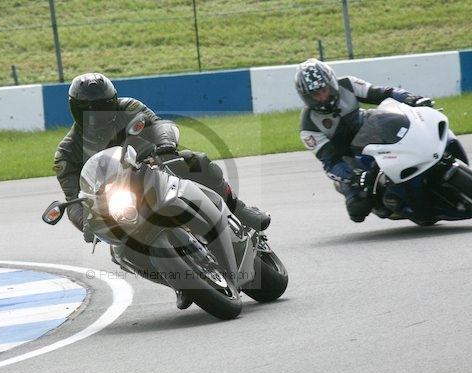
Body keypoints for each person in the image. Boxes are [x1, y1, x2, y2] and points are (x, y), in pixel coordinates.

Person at [53, 72, 270, 308]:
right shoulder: (67, 151)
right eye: (87, 109)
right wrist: (86, 222)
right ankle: (178, 281)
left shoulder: (129, 107)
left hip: (152, 170)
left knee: (196, 161)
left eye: (102, 107)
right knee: (120, 253)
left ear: (113, 101)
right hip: (117, 203)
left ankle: (239, 210)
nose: (95, 114)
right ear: (74, 110)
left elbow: (157, 124)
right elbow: (73, 198)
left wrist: (166, 144)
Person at [294, 58, 446, 222]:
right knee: (357, 210)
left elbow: (384, 93)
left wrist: (412, 99)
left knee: (413, 125)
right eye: (316, 95)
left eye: (324, 90)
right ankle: (392, 204)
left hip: (372, 130)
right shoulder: (308, 127)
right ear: (306, 97)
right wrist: (354, 176)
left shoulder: (347, 84)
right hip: (349, 158)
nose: (323, 97)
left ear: (331, 83)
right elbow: (331, 162)